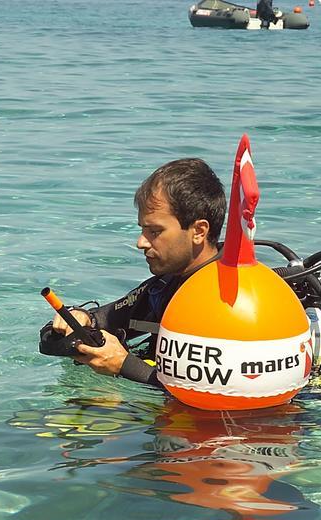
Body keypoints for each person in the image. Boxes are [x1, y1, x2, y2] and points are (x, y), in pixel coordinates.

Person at [46, 158, 226, 387]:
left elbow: (218, 393)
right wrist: (79, 318)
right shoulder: (163, 287)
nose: (141, 242)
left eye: (155, 231)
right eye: (142, 230)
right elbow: (102, 319)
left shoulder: (232, 302)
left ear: (199, 231)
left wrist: (124, 366)